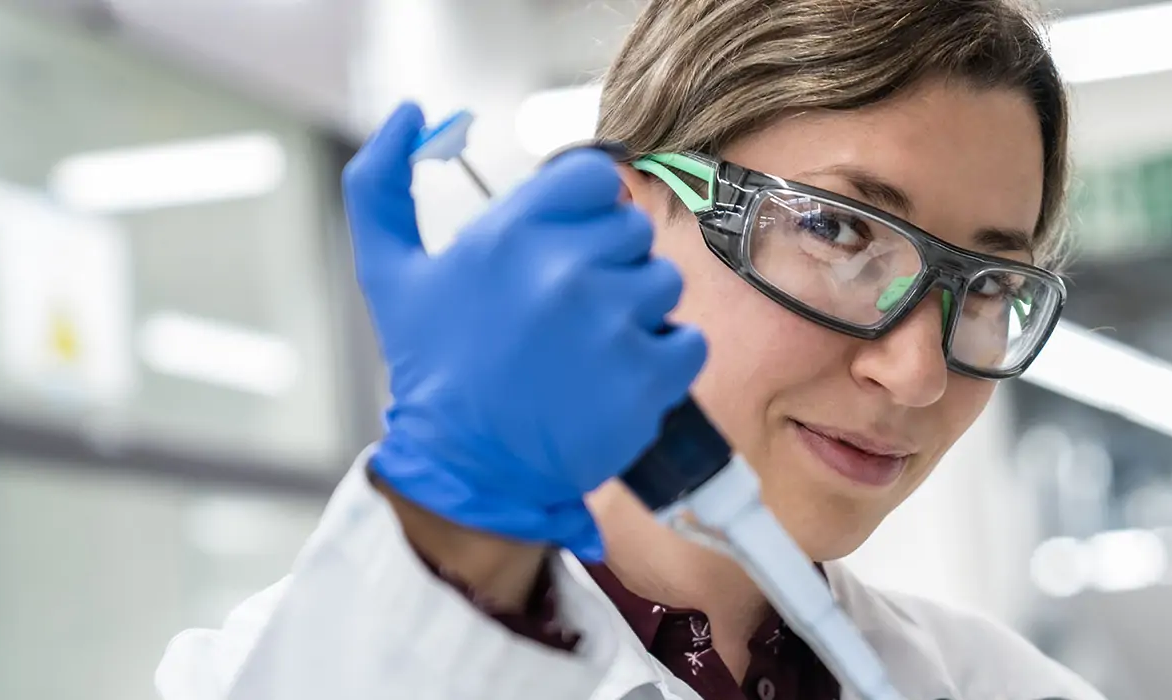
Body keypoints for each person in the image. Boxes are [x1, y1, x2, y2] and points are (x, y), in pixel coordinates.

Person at [154, 0, 1096, 698]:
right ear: (627, 217)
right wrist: (455, 523)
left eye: (988, 284)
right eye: (840, 234)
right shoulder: (284, 671)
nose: (917, 373)